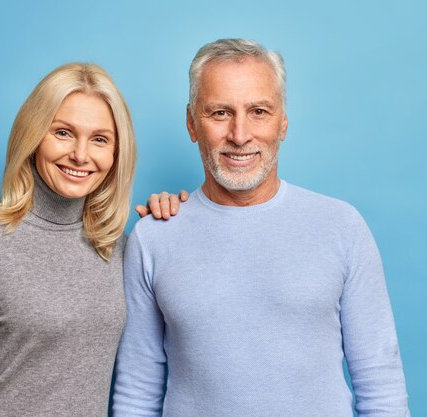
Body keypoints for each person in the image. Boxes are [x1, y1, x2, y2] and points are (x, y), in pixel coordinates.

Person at [113, 39, 410, 417]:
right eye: (220, 112)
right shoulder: (154, 236)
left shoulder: (341, 227)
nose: (239, 135)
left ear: (283, 122)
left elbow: (380, 381)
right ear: (191, 122)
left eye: (258, 111)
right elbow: (137, 390)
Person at [0, 62, 185, 417]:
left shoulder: (120, 248)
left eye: (100, 139)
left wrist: (180, 223)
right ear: (32, 136)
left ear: (116, 155)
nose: (80, 155)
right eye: (62, 133)